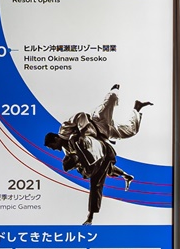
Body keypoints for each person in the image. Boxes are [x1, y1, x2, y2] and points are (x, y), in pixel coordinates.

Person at [45, 84, 154, 224]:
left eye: (52, 146)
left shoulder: (64, 130)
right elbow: (97, 171)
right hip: (105, 135)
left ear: (55, 139)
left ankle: (114, 89)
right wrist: (123, 174)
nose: (54, 149)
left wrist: (83, 132)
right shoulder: (69, 151)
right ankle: (137, 109)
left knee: (110, 101)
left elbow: (81, 115)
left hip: (97, 121)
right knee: (131, 131)